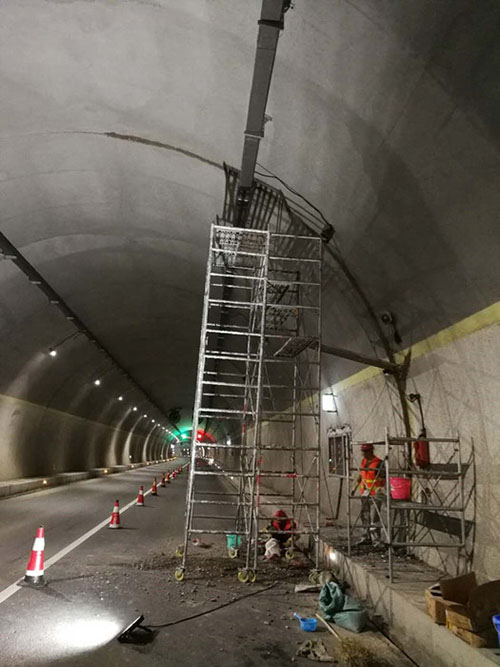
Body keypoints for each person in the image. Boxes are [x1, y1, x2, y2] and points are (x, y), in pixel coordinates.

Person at [351, 443, 385, 546]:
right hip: (364, 494)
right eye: (363, 452)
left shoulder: (379, 463)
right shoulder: (364, 461)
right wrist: (354, 488)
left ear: (370, 451)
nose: (363, 454)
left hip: (375, 494)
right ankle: (366, 537)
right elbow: (361, 476)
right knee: (365, 516)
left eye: (365, 452)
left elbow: (384, 479)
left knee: (374, 518)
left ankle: (376, 540)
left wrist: (381, 490)